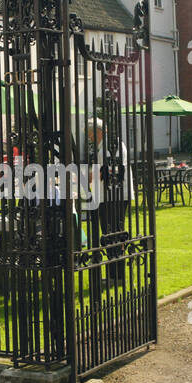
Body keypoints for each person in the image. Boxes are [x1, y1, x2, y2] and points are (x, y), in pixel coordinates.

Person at [87, 117, 131, 286]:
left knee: (112, 235)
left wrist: (90, 176)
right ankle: (115, 275)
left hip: (114, 196)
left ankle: (117, 277)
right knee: (111, 234)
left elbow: (110, 170)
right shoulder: (106, 145)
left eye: (91, 134)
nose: (90, 138)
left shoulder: (110, 146)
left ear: (98, 132)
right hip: (111, 195)